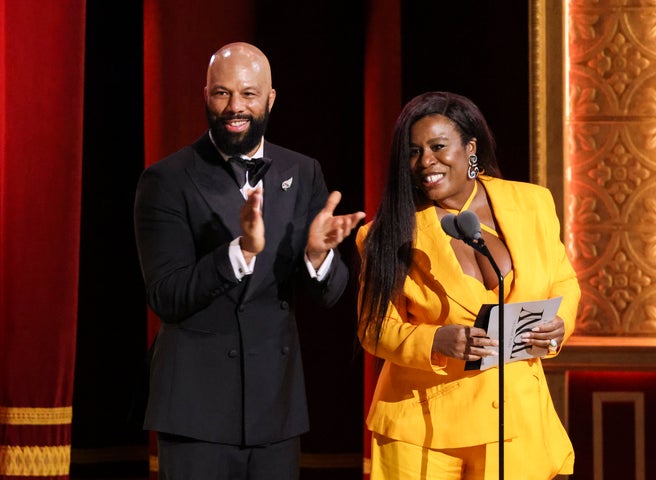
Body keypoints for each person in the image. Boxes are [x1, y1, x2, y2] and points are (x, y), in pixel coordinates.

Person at [133, 42, 365, 479]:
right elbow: (166, 296)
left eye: (248, 94)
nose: (234, 107)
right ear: (205, 95)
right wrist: (239, 252)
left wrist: (319, 256)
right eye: (222, 93)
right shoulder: (165, 180)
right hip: (194, 410)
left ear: (270, 99)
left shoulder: (303, 172)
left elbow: (330, 295)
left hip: (274, 410)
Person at [356, 91, 580, 479]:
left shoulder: (533, 204)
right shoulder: (388, 232)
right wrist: (435, 340)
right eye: (413, 152)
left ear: (470, 148)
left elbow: (564, 282)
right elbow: (374, 329)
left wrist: (558, 324)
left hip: (514, 421)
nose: (426, 161)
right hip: (422, 429)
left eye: (438, 146)